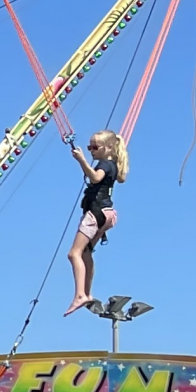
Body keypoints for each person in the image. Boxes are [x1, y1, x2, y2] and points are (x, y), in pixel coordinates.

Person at [64, 129, 127, 314]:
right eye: (89, 147)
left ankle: (80, 295)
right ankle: (87, 293)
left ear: (108, 148)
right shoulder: (113, 164)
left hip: (95, 213)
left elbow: (95, 177)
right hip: (106, 214)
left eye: (94, 147)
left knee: (73, 254)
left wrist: (81, 160)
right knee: (85, 253)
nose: (91, 150)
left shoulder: (105, 164)